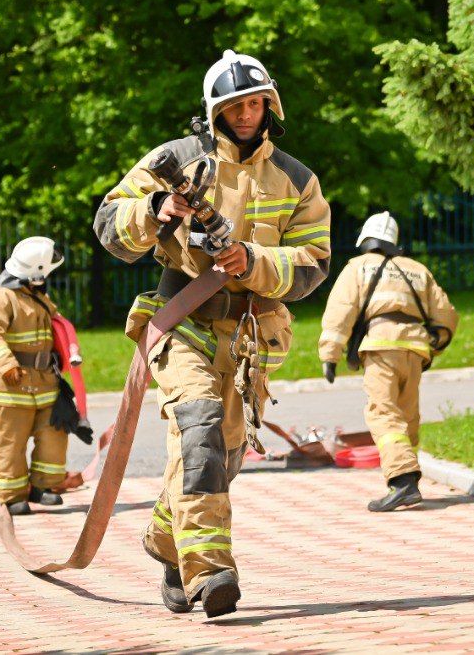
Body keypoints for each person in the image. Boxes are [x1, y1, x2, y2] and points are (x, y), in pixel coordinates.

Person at [94, 50, 331, 618]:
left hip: (253, 335)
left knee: (219, 459)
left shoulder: (297, 179)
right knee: (197, 426)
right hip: (182, 319)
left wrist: (250, 259)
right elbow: (109, 226)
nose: (246, 115)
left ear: (268, 106)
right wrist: (156, 208)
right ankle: (211, 573)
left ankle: (167, 542)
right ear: (215, 110)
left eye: (255, 104)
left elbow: (313, 264)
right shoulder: (176, 159)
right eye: (235, 106)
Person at [318, 211, 459, 512]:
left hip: (381, 346)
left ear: (365, 240)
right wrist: (436, 342)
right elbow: (446, 314)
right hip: (415, 350)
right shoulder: (417, 270)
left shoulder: (358, 267)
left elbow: (340, 311)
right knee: (407, 416)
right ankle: (407, 478)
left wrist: (330, 354)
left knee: (383, 413)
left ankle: (403, 482)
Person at [0, 237, 73, 515]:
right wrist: (6, 364)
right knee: (11, 441)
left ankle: (43, 487)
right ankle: (12, 494)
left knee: (54, 434)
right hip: (10, 387)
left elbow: (59, 327)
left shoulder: (39, 298)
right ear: (36, 271)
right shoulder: (2, 299)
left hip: (43, 384)